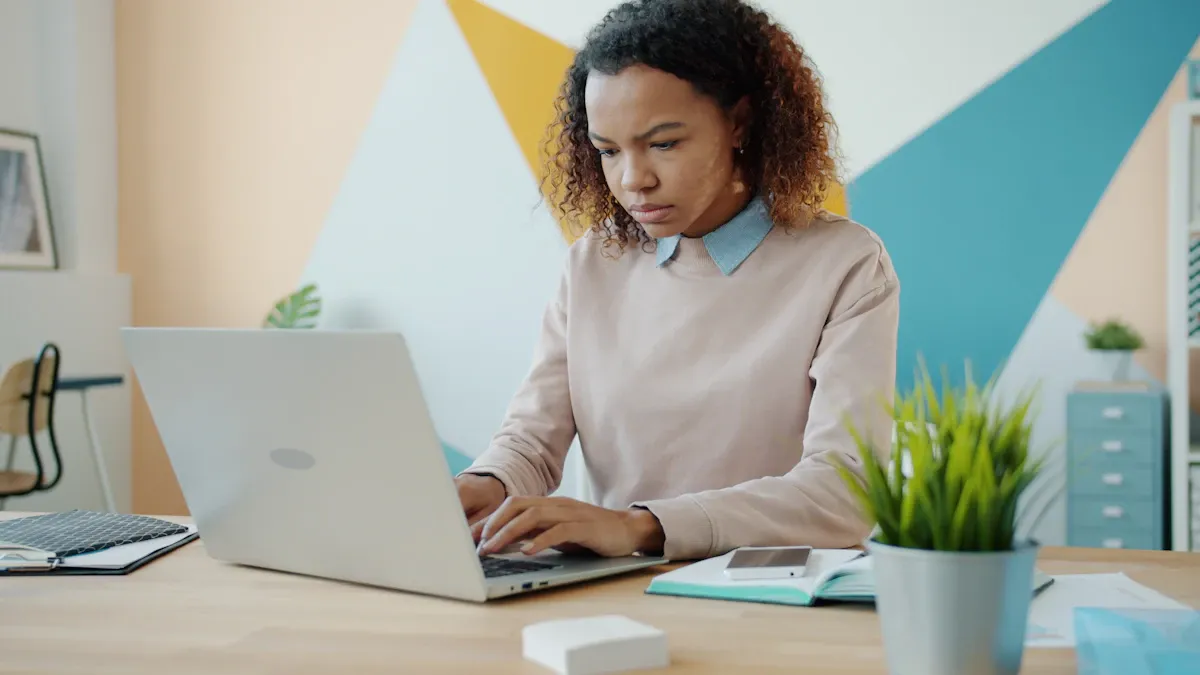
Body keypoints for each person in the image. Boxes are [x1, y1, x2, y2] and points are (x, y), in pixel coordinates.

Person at [456, 0, 899, 562]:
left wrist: (641, 527)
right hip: (614, 590)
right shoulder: (594, 262)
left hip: (770, 595)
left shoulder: (845, 264)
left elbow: (845, 493)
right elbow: (532, 440)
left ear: (738, 123)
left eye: (663, 143)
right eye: (608, 151)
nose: (633, 179)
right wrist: (486, 484)